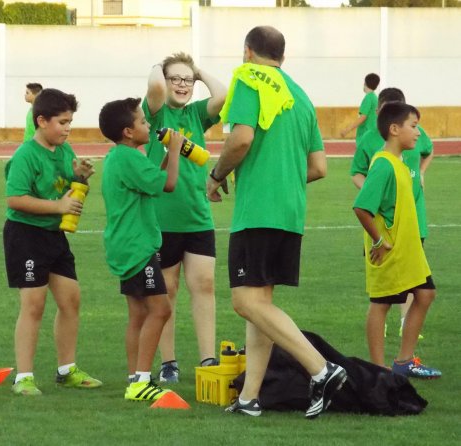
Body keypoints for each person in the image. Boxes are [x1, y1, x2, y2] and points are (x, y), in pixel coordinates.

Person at [206, 26, 347, 419]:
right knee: (260, 304)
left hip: (259, 210)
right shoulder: (300, 97)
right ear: (282, 56)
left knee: (244, 301)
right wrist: (283, 177)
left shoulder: (248, 78)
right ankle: (250, 398)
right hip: (289, 212)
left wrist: (216, 176)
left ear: (247, 51)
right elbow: (319, 167)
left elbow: (240, 139)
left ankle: (321, 369)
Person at [4, 88, 102, 396]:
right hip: (25, 235)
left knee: (71, 300)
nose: (67, 128)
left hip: (53, 236)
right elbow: (15, 199)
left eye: (70, 121)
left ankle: (67, 370)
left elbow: (69, 192)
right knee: (33, 306)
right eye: (62, 122)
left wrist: (81, 178)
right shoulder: (25, 155)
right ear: (41, 121)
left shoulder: (66, 151)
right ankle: (24, 377)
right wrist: (58, 207)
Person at [144, 52, 227, 383]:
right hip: (162, 219)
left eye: (187, 81)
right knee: (168, 289)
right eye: (175, 79)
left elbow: (221, 95)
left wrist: (197, 71)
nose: (182, 85)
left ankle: (208, 360)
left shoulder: (196, 114)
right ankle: (169, 362)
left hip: (198, 217)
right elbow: (153, 88)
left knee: (204, 285)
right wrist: (158, 69)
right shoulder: (154, 112)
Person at [99, 97, 184, 401]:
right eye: (142, 121)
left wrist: (165, 156)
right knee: (160, 310)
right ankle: (142, 382)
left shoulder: (119, 157)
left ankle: (135, 375)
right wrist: (174, 151)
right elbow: (170, 184)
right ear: (128, 132)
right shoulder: (130, 158)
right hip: (138, 245)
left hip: (124, 244)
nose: (148, 125)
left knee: (138, 314)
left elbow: (155, 180)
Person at [352, 102, 441, 379]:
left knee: (425, 294)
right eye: (413, 127)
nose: (418, 133)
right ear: (394, 129)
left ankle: (403, 361)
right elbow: (362, 207)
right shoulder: (383, 165)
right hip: (390, 252)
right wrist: (379, 242)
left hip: (407, 252)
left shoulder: (399, 163)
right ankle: (378, 369)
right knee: (381, 304)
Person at [340, 73, 380, 144]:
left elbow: (363, 117)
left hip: (365, 134)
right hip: (372, 132)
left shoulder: (368, 98)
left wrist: (347, 130)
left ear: (365, 83)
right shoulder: (375, 98)